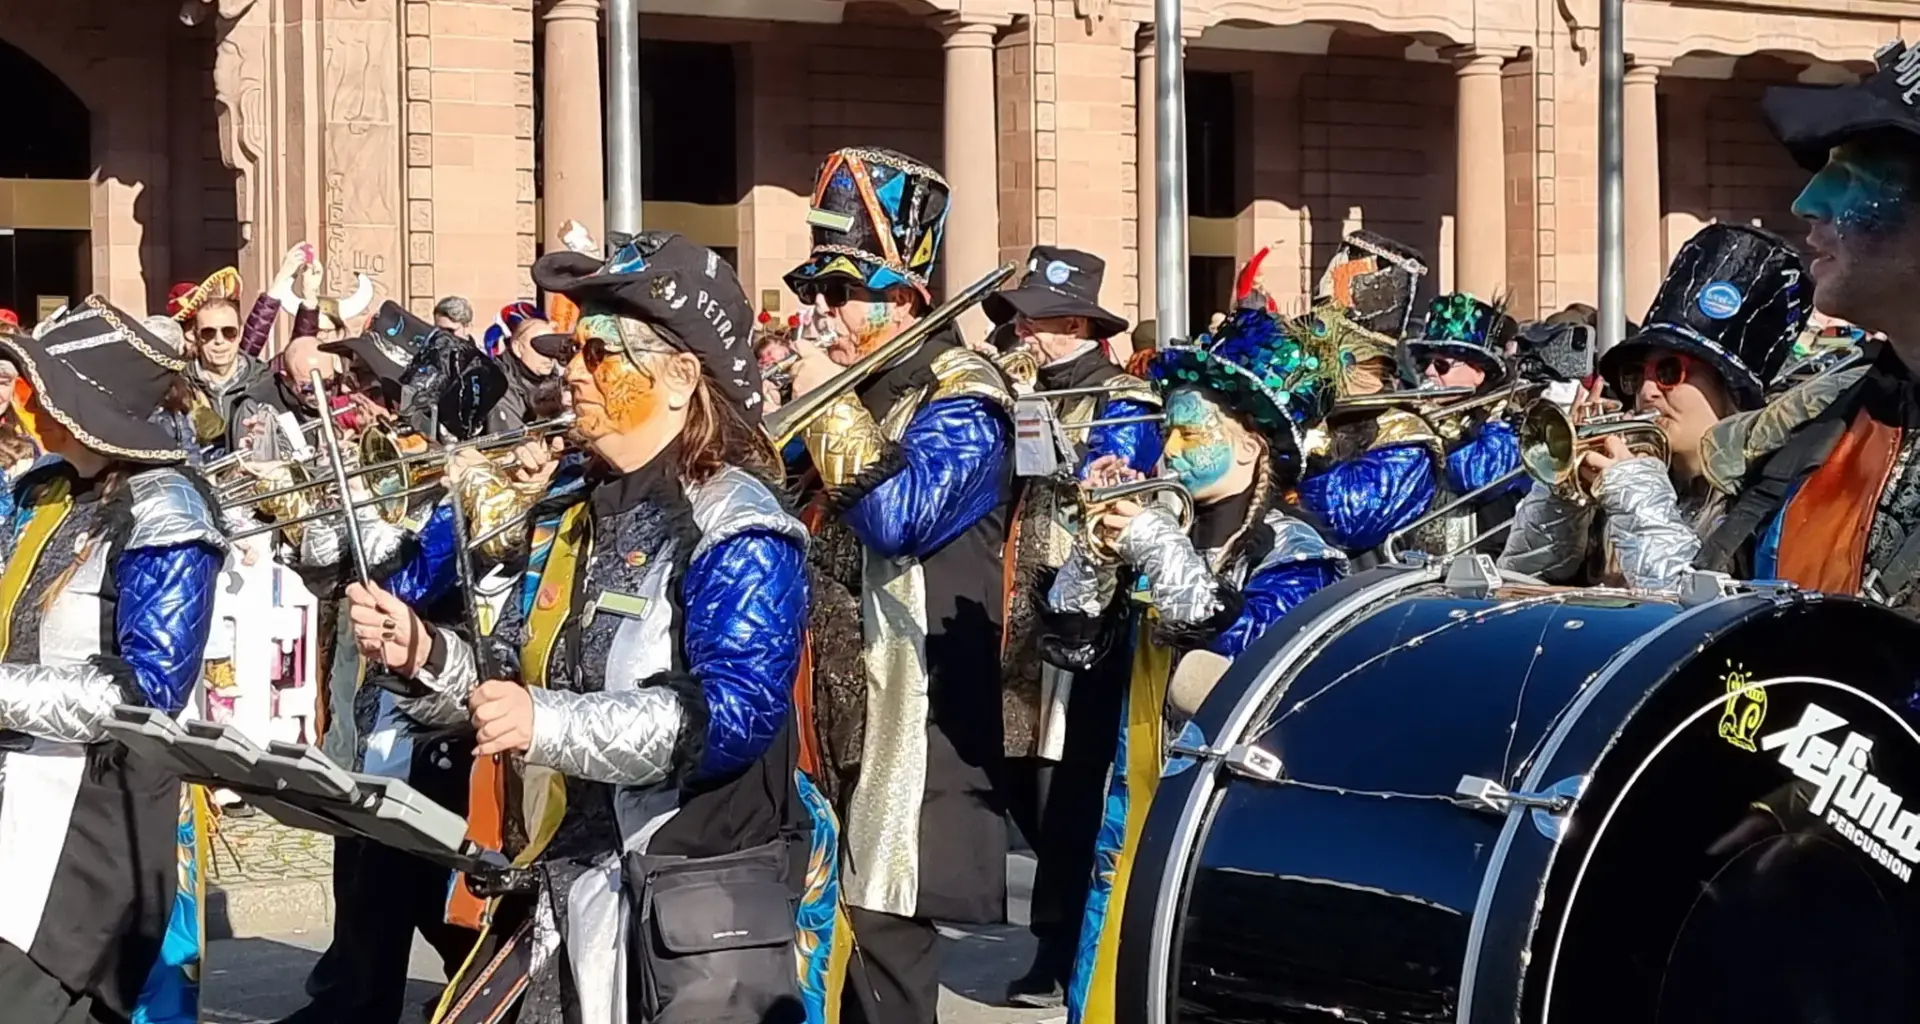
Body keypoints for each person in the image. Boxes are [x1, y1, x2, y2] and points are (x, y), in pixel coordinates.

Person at [348, 230, 825, 1024]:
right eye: (573, 349)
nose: (570, 370)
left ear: (678, 379)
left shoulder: (737, 524)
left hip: (678, 907)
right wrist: (425, 654)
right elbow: (509, 678)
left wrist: (549, 723)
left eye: (598, 353)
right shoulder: (570, 509)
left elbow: (733, 716)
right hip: (554, 888)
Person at [1043, 304, 1346, 1024]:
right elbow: (1072, 644)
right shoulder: (1172, 527)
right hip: (1132, 813)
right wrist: (1095, 552)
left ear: (1247, 449)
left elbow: (1222, 676)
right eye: (1167, 431)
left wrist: (1150, 539)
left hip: (1226, 828)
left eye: (1189, 432)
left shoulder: (1293, 554)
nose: (1168, 451)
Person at [781, 146, 1012, 1024]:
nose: (823, 313)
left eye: (841, 293)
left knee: (886, 946)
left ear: (908, 299)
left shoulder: (966, 392)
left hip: (907, 712)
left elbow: (901, 515)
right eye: (817, 293)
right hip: (821, 704)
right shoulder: (858, 385)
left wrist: (828, 403)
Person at [0, 300, 226, 1024]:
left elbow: (148, 690)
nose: (26, 403)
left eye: (44, 387)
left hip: (90, 813)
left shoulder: (166, 508)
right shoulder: (40, 489)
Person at [980, 245, 1161, 1008]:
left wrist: (1050, 440)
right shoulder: (1022, 384)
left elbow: (1118, 481)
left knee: (1066, 788)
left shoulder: (1124, 396)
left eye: (1037, 320)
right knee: (1013, 774)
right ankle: (1054, 934)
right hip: (1011, 603)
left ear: (1076, 322)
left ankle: (1059, 946)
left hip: (1079, 609)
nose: (1023, 332)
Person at [1503, 223, 1810, 588]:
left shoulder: (1766, 502)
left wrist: (1635, 496)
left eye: (1669, 372)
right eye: (1636, 375)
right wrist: (1562, 493)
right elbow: (1518, 583)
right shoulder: (1625, 481)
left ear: (1729, 391)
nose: (1647, 391)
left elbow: (1702, 618)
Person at [1290, 232, 1446, 563]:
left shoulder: (1406, 438)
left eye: (1331, 354)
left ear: (1372, 363)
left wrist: (1297, 448)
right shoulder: (1317, 417)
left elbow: (1347, 520)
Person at [1400, 292, 1530, 555]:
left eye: (1441, 365)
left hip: (1482, 569)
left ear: (1479, 373)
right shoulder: (1426, 417)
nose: (1428, 372)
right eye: (1425, 363)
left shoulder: (1507, 423)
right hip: (1418, 565)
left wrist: (1436, 430)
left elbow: (1476, 475)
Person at [486, 316, 566, 433]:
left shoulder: (555, 379)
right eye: (540, 347)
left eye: (551, 347)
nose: (549, 355)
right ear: (518, 348)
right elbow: (509, 440)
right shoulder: (499, 385)